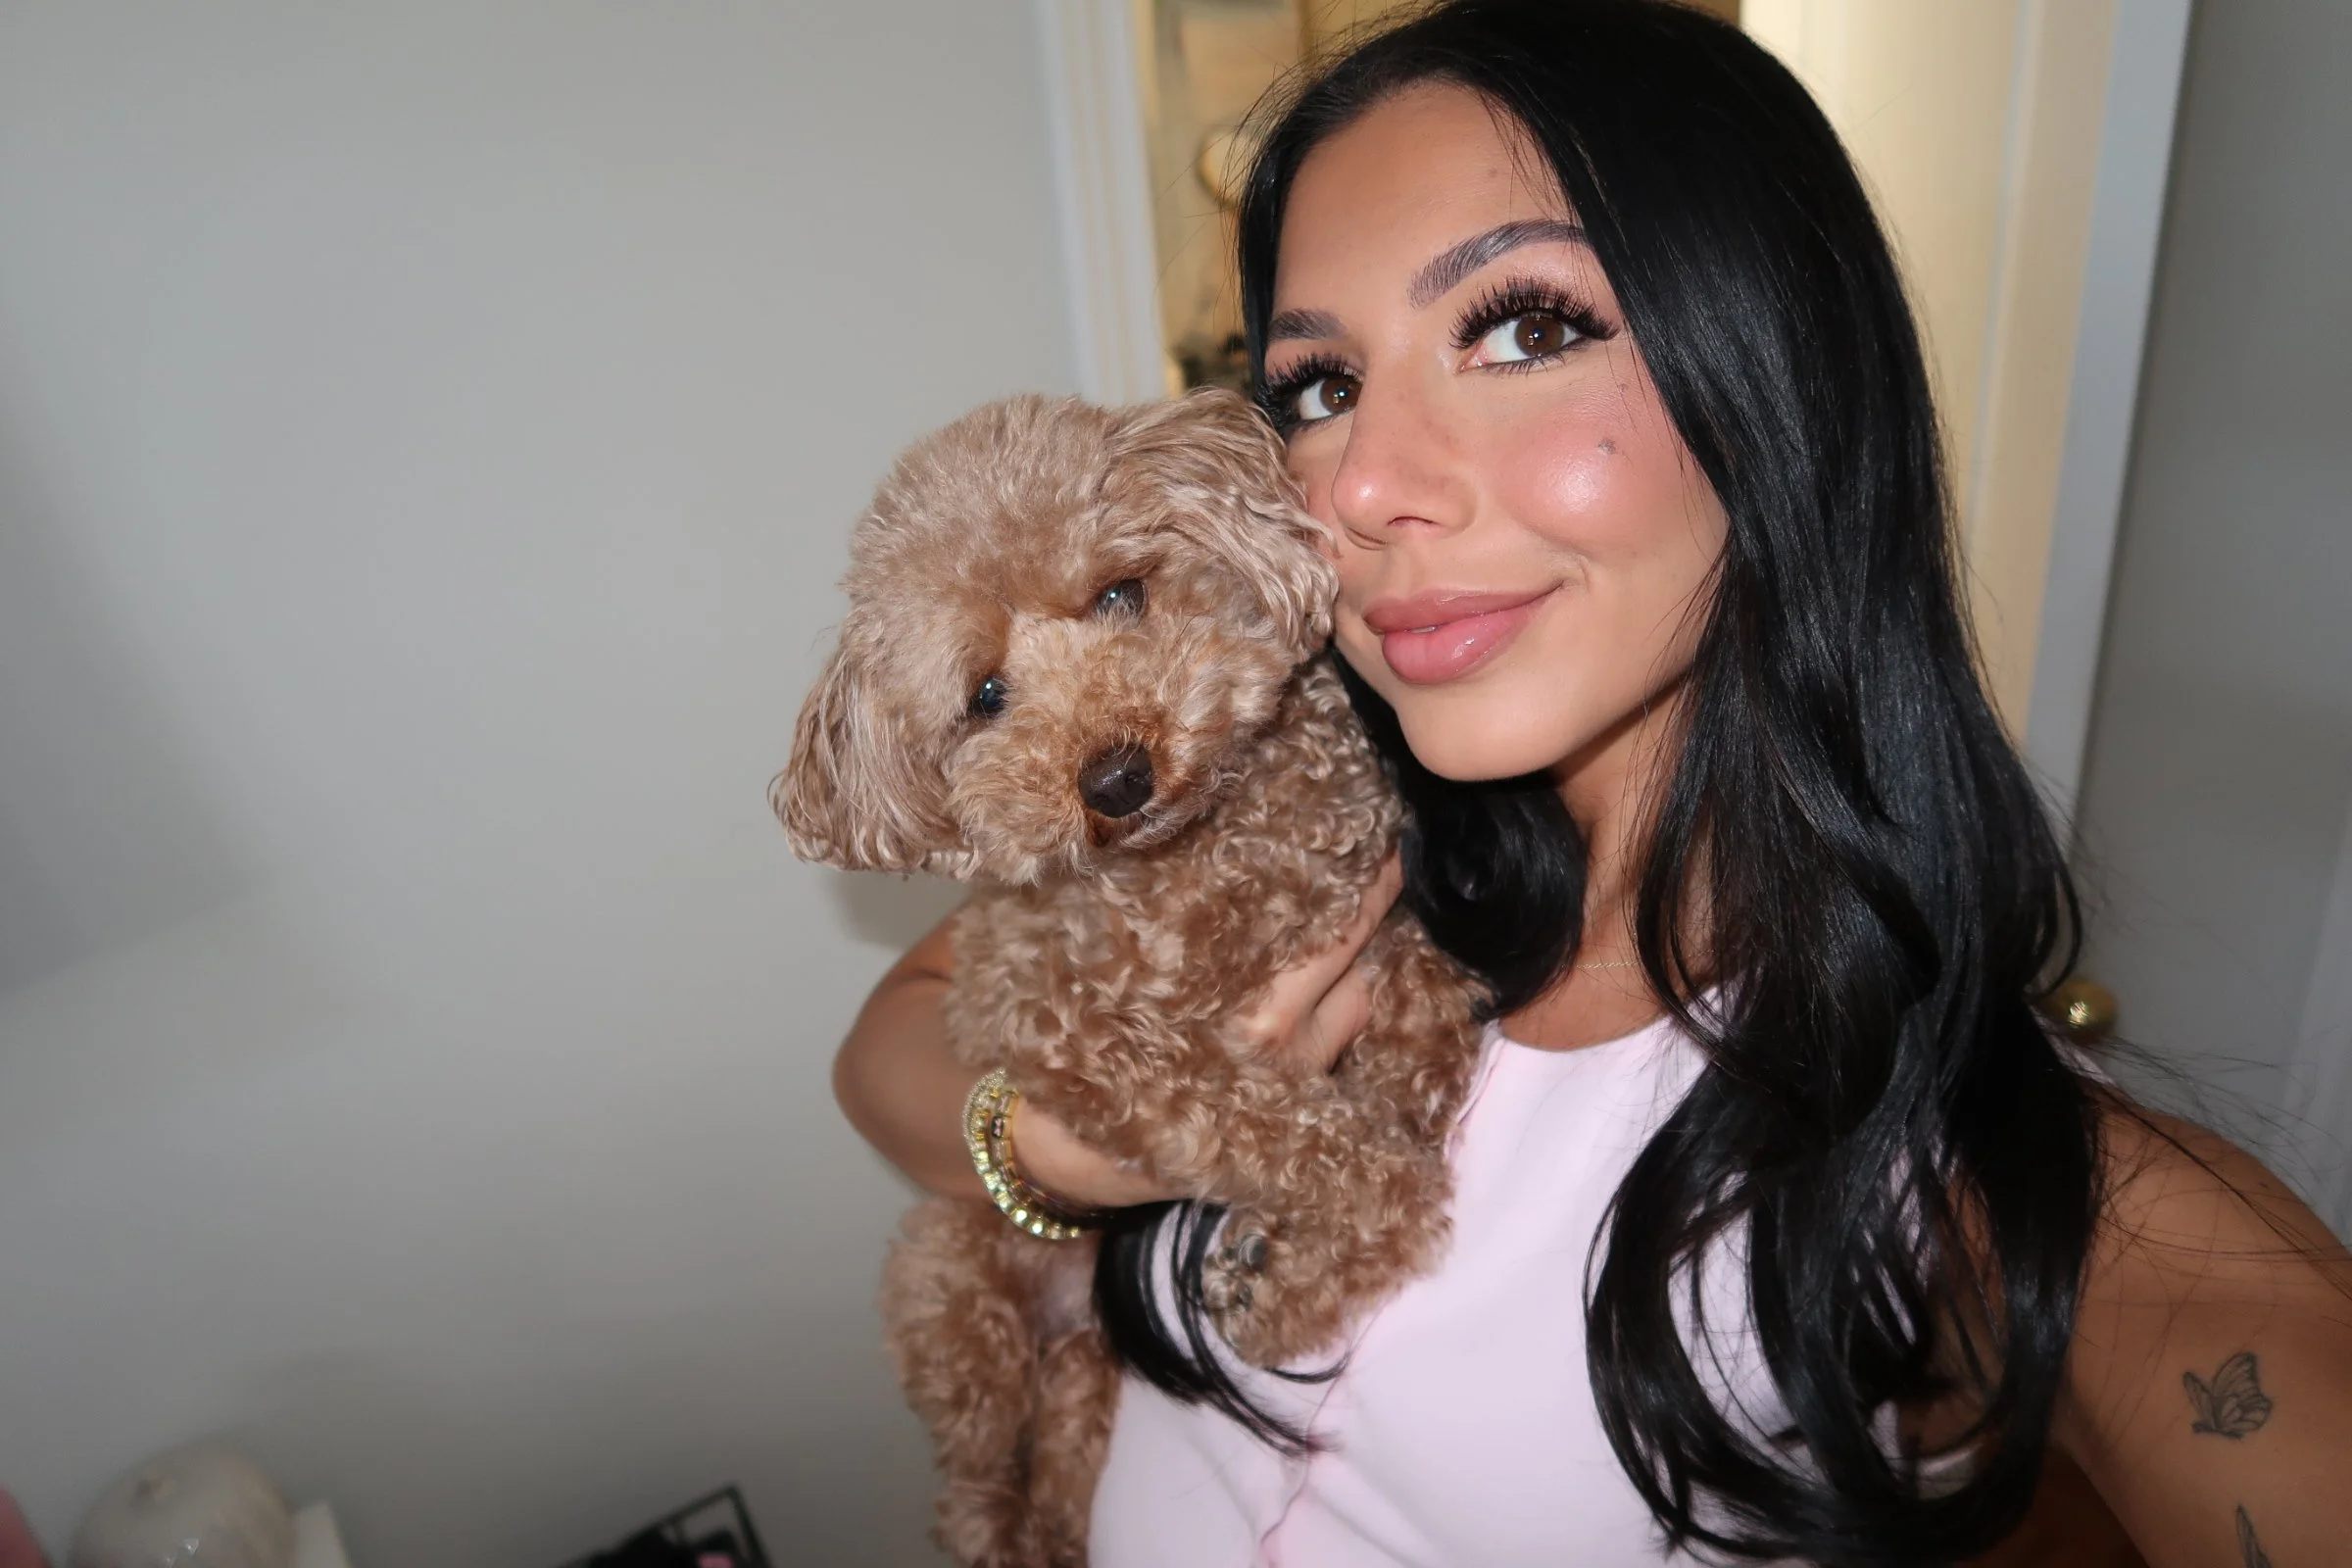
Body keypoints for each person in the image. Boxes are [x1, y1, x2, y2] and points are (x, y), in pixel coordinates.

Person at [830, 3, 2352, 1562]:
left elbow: (2239, 1360)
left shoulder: (1930, 1147)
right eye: (1318, 386)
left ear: (1779, 379)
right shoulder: (1268, 805)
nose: (1356, 485)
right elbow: (884, 1054)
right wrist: (1059, 1152)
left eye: (1523, 328)